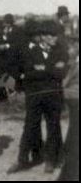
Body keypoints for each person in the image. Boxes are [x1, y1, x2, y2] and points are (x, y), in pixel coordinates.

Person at [8, 21, 67, 174]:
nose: (55, 38)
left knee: (53, 127)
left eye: (55, 35)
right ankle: (22, 159)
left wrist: (42, 70)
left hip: (54, 95)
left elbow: (62, 73)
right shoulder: (30, 52)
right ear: (42, 37)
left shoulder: (60, 51)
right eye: (51, 35)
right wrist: (51, 69)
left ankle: (51, 160)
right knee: (30, 127)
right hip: (34, 96)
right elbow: (28, 74)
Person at [58, 33, 79, 181]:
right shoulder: (73, 59)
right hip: (73, 98)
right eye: (75, 42)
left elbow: (66, 81)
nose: (74, 46)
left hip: (75, 97)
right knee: (74, 131)